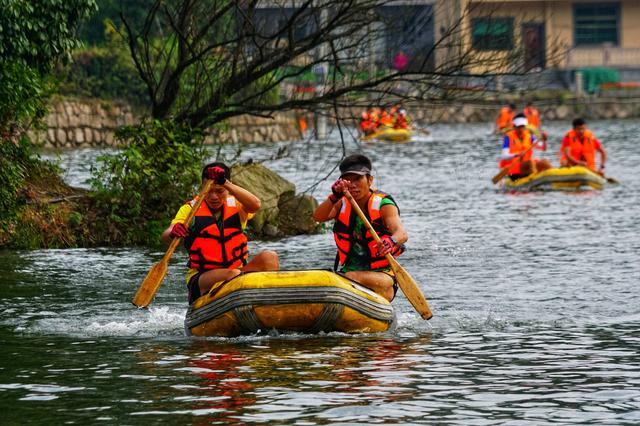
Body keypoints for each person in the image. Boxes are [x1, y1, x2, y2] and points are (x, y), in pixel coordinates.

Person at [162, 162, 279, 304]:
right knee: (233, 274)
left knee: (270, 258)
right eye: (209, 190)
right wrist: (174, 231)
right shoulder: (190, 209)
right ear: (202, 188)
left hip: (237, 271)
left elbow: (256, 204)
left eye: (219, 191)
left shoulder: (237, 205)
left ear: (228, 188)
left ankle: (267, 305)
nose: (214, 197)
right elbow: (166, 236)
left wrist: (225, 182)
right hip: (202, 277)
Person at [312, 154, 407, 302]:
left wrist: (391, 241)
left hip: (383, 275)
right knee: (336, 279)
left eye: (358, 179)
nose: (353, 184)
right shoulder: (340, 202)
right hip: (349, 271)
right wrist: (334, 197)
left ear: (369, 180)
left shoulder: (383, 204)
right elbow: (318, 217)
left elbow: (401, 233)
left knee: (350, 278)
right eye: (348, 180)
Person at [499, 114, 550, 180]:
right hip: (514, 170)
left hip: (527, 167)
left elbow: (543, 148)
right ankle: (536, 179)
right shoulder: (508, 137)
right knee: (530, 162)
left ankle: (553, 178)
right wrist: (517, 154)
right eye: (519, 127)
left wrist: (544, 141)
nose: (521, 129)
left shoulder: (530, 136)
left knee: (544, 162)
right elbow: (504, 156)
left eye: (523, 126)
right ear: (514, 126)